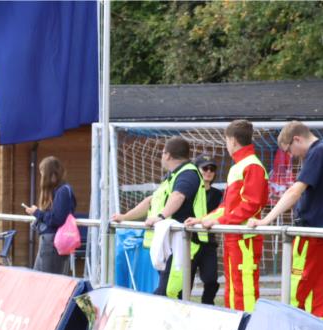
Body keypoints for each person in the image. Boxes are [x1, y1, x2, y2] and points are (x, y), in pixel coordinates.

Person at [253, 121, 323, 318]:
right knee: (317, 287)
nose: (291, 156)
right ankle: (316, 328)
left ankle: (292, 327)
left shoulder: (317, 152)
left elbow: (294, 191)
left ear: (296, 139)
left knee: (298, 288)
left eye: (289, 150)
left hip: (311, 233)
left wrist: (265, 220)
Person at [186, 119, 269, 312]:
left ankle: (247, 326)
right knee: (233, 286)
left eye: (226, 141)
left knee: (244, 289)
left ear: (232, 140)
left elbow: (251, 205)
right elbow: (227, 206)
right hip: (235, 236)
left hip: (245, 238)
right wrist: (203, 219)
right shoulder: (239, 166)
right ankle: (237, 323)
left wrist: (219, 221)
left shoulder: (251, 166)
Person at [112, 136, 206, 299]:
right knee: (165, 292)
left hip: (183, 245)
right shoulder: (172, 176)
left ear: (167, 155)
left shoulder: (187, 173)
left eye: (162, 153)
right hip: (170, 245)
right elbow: (151, 200)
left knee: (169, 293)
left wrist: (161, 216)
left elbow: (178, 196)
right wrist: (124, 217)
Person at [23, 156, 75, 274]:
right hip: (49, 241)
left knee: (46, 278)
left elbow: (57, 219)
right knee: (39, 277)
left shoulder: (62, 191)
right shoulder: (59, 190)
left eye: (42, 174)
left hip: (53, 242)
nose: (41, 177)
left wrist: (37, 212)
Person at [185, 155, 221, 305]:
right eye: (205, 168)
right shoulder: (189, 192)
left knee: (211, 279)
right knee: (185, 280)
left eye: (212, 169)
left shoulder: (218, 195)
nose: (209, 172)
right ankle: (183, 306)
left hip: (208, 244)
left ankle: (208, 305)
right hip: (189, 242)